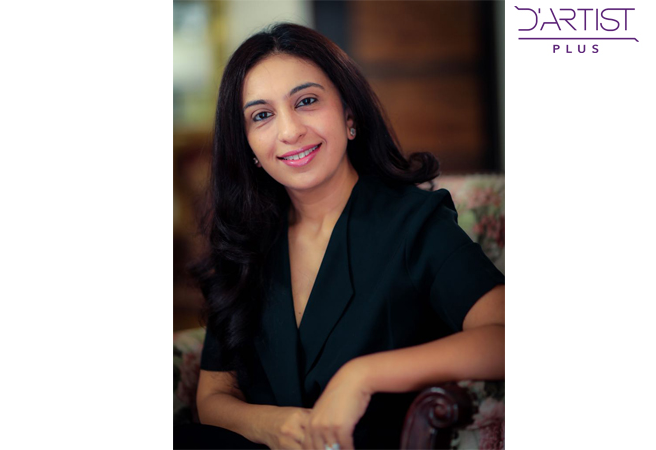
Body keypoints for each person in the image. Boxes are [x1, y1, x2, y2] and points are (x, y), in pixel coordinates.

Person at [183, 23, 505, 450]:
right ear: (248, 147)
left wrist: (362, 375)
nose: (289, 131)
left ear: (349, 115)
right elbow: (213, 396)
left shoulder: (413, 223)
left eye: (307, 101)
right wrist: (275, 426)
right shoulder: (245, 241)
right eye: (262, 115)